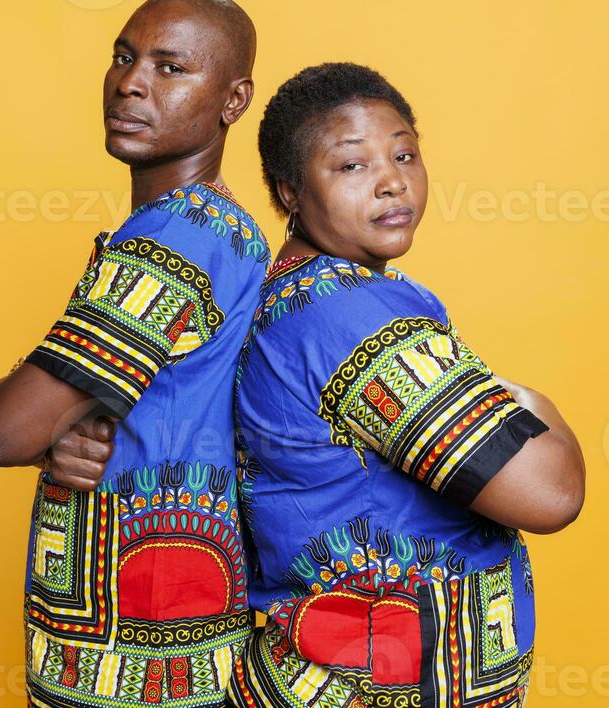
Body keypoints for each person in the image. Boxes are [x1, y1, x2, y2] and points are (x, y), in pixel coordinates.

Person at [226, 63, 585, 708]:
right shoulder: (347, 317)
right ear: (288, 192)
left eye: (405, 155)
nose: (393, 181)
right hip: (365, 684)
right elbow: (550, 493)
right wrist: (530, 400)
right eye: (352, 166)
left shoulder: (295, 294)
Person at [0, 0, 270, 708]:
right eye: (124, 57)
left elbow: (2, 430)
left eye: (172, 68)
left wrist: (42, 418)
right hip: (175, 628)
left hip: (138, 645)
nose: (131, 81)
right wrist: (60, 430)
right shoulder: (227, 229)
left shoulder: (176, 239)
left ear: (233, 101)